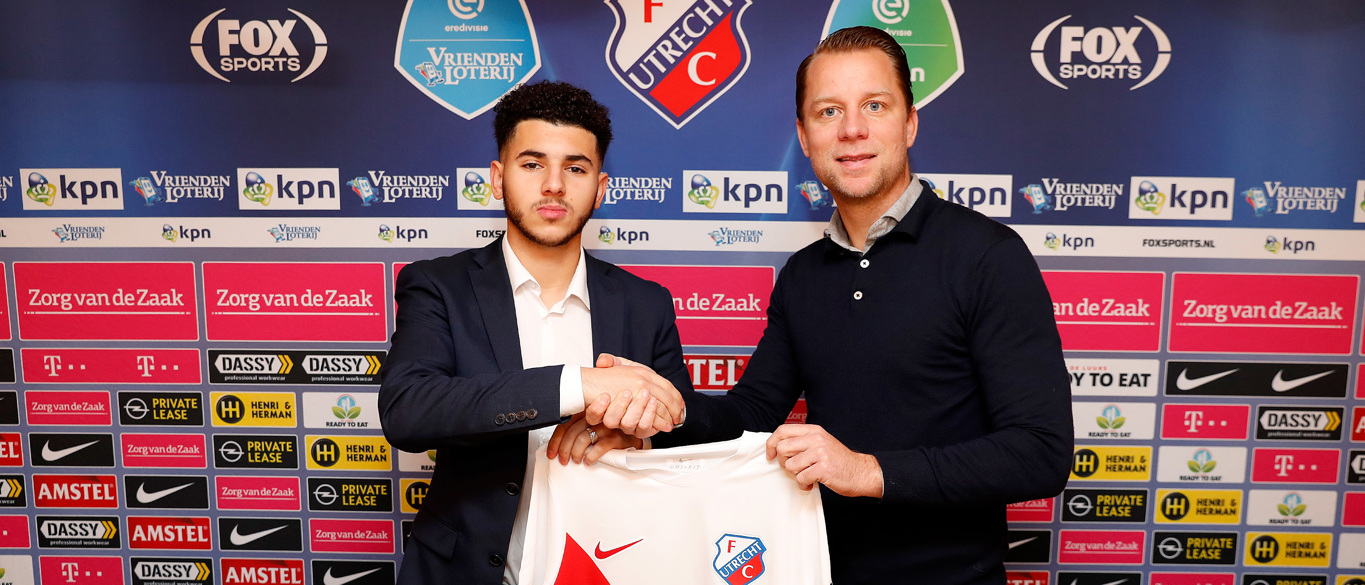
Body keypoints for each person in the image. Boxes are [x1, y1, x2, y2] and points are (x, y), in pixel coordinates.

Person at [632, 27, 1073, 584]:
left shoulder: (987, 255)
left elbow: (1040, 452)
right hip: (818, 571)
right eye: (829, 111)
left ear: (909, 124)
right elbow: (751, 414)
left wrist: (866, 471)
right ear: (805, 136)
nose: (852, 129)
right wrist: (662, 412)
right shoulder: (803, 275)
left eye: (874, 106)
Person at [379, 80, 690, 585]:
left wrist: (641, 436)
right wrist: (580, 384)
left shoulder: (645, 302)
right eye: (532, 164)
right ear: (498, 178)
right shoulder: (438, 285)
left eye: (575, 168)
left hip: (609, 568)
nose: (554, 185)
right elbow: (407, 411)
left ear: (601, 187)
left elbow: (683, 430)